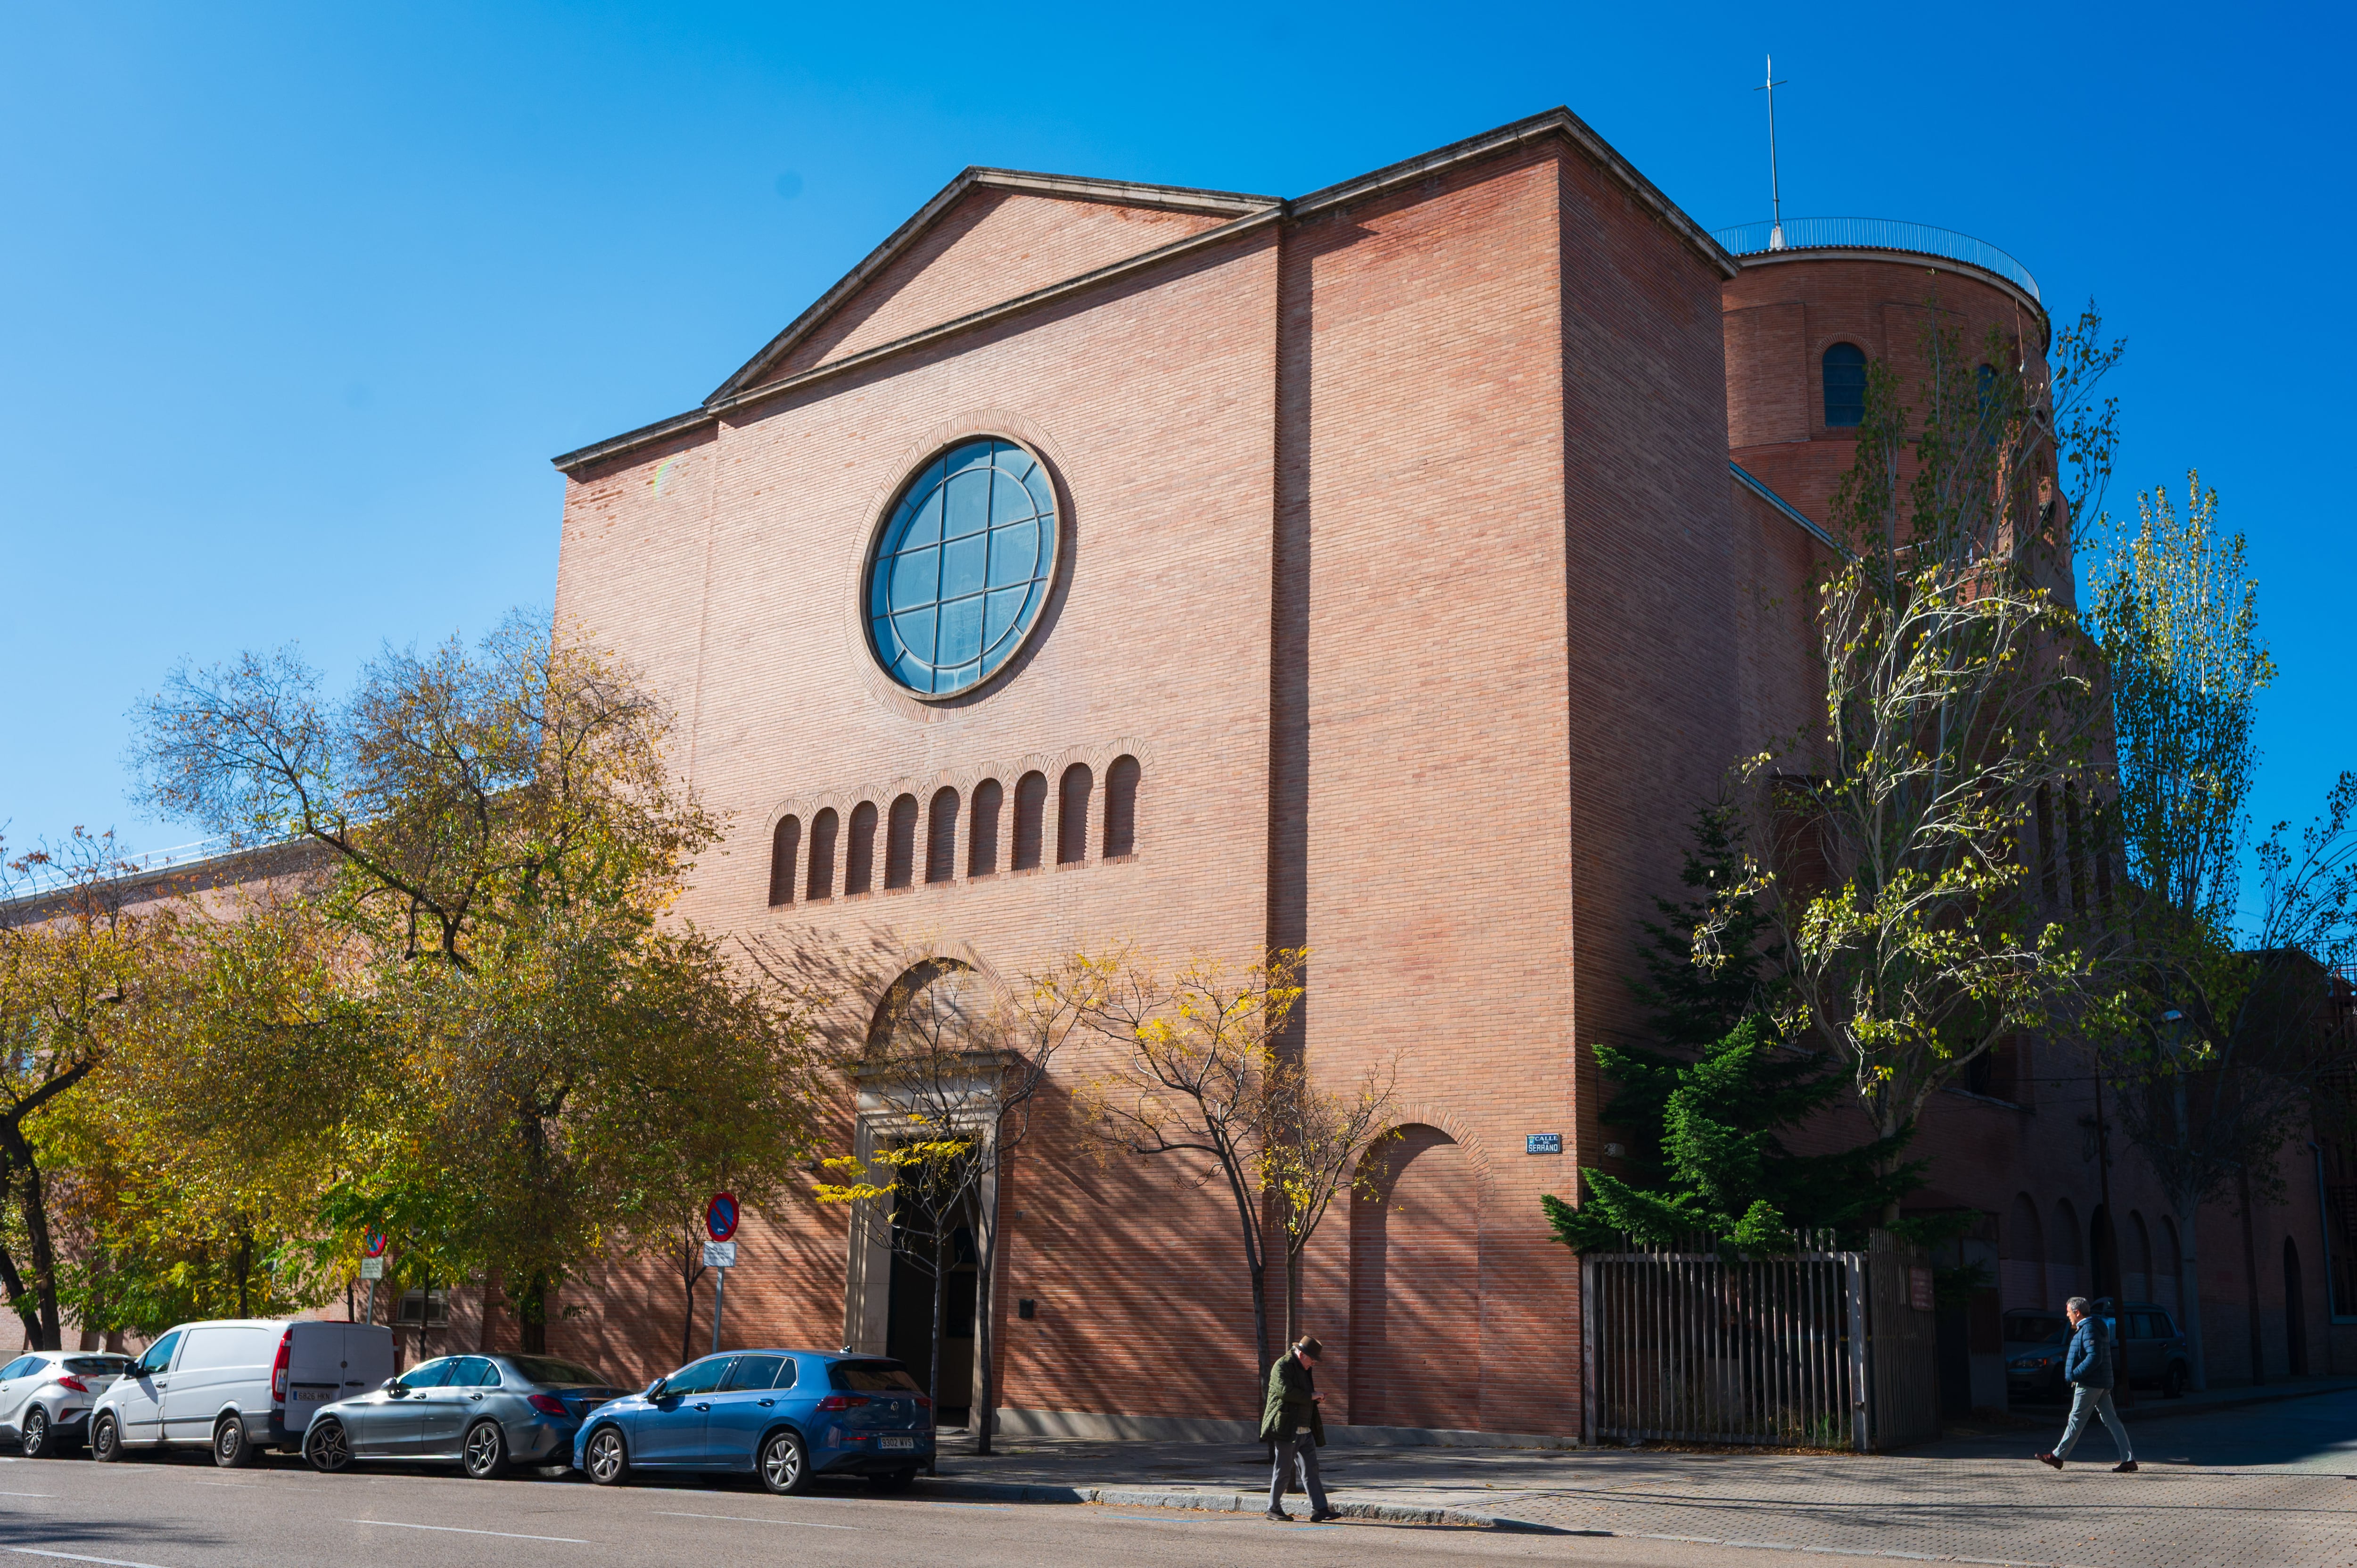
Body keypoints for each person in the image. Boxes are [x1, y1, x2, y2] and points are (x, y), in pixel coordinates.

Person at [2036, 1296, 2135, 1472]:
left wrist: (2075, 1374)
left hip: (2090, 1383)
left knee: (2076, 1419)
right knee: (2112, 1420)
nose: (2068, 1316)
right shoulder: (2092, 1328)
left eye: (2069, 1313)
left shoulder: (2089, 1329)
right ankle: (2128, 1460)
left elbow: (2094, 1357)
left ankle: (2058, 1456)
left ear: (2077, 1312)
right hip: (2101, 1383)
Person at [1260, 1335, 1341, 1522]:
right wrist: (1312, 1395)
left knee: (1311, 1470)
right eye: (1312, 1359)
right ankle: (1273, 1509)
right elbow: (1285, 1393)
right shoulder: (1283, 1365)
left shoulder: (1304, 1368)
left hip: (1305, 1429)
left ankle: (1320, 1509)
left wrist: (1316, 1398)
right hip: (1287, 1428)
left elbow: (1304, 1396)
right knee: (1283, 1470)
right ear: (1302, 1354)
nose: (1313, 1364)